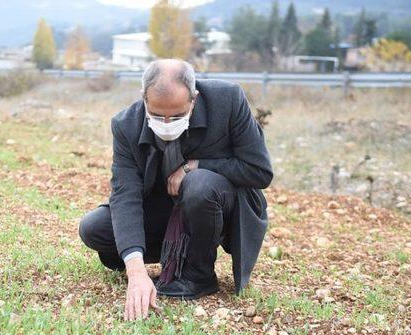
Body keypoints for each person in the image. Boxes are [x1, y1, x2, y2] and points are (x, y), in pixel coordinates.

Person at [79, 59, 273, 321]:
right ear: (144, 99)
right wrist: (136, 271)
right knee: (94, 229)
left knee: (199, 184)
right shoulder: (125, 125)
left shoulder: (227, 100)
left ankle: (199, 275)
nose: (167, 123)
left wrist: (196, 166)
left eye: (178, 116)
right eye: (158, 116)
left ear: (194, 99)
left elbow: (259, 171)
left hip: (219, 204)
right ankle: (174, 255)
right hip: (164, 207)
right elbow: (126, 194)